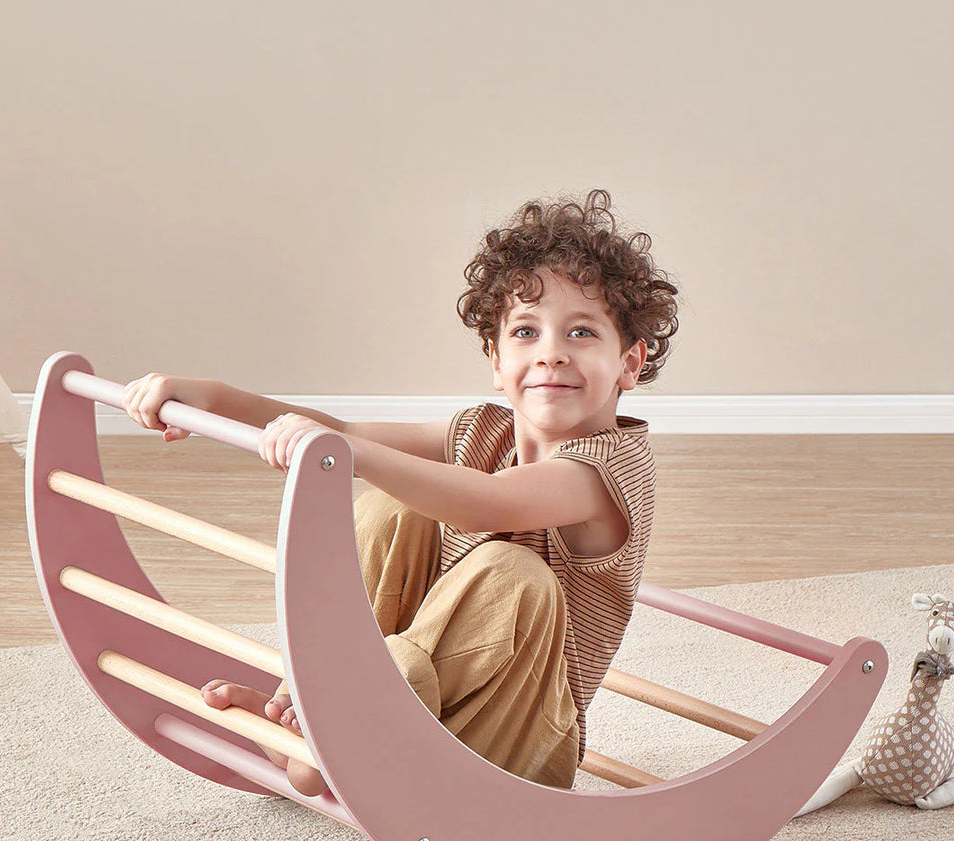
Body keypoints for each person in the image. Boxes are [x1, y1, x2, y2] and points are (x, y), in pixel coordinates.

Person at [122, 188, 679, 797]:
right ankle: (312, 704)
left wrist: (349, 454)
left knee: (513, 573)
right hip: (421, 707)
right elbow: (345, 432)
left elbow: (486, 502)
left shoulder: (610, 469)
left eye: (581, 333)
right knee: (391, 510)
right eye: (526, 332)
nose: (551, 354)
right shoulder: (483, 431)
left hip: (515, 739)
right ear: (496, 361)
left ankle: (336, 726)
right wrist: (216, 397)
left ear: (629, 363)